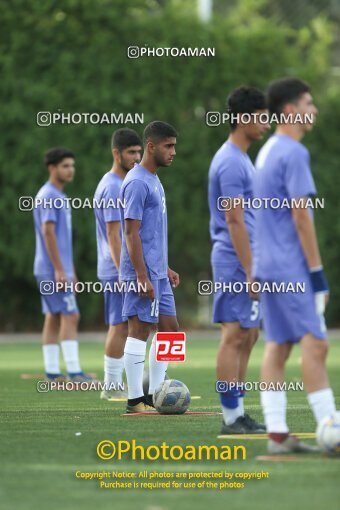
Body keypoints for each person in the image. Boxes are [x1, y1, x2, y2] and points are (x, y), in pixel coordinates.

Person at [253, 77, 336, 453]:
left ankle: (277, 435)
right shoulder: (293, 152)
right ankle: (331, 426)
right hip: (289, 267)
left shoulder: (268, 149)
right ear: (290, 110)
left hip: (266, 265)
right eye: (308, 102)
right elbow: (301, 216)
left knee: (278, 346)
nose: (313, 109)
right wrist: (317, 275)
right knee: (316, 345)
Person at [208, 86, 269, 433]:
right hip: (234, 260)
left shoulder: (242, 158)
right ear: (243, 118)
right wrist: (250, 270)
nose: (267, 124)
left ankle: (239, 413)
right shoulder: (230, 161)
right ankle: (231, 417)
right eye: (261, 118)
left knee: (249, 334)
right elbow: (233, 219)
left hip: (246, 259)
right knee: (234, 334)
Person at [119, 121, 180, 413]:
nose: (173, 152)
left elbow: (151, 233)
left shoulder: (155, 179)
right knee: (139, 329)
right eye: (168, 146)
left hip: (158, 272)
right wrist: (142, 275)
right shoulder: (138, 182)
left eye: (174, 146)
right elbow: (131, 233)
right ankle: (134, 401)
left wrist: (164, 267)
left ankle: (158, 394)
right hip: (140, 273)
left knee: (171, 330)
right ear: (151, 146)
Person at [33, 147, 92, 382]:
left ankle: (53, 372)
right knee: (71, 315)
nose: (71, 170)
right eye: (65, 166)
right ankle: (75, 371)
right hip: (51, 269)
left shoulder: (59, 196)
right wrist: (59, 269)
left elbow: (61, 238)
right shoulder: (49, 195)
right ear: (52, 168)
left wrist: (70, 270)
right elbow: (48, 233)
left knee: (54, 316)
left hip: (53, 268)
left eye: (72, 165)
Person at [94, 128, 142, 401]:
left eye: (139, 152)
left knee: (129, 324)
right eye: (131, 152)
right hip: (116, 270)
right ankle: (111, 385)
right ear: (116, 153)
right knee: (120, 325)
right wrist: (125, 271)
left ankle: (130, 381)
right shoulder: (113, 186)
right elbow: (114, 234)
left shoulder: (120, 182)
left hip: (120, 269)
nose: (136, 158)